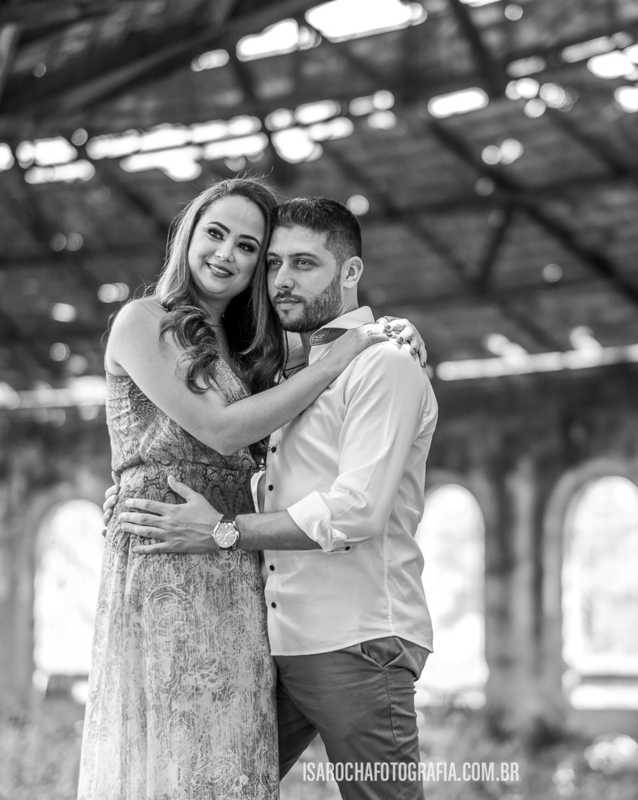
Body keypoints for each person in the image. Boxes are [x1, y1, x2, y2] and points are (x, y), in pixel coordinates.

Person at [78, 180, 423, 800]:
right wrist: (136, 482)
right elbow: (218, 430)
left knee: (231, 769)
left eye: (248, 247)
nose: (228, 256)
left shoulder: (266, 352)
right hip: (179, 563)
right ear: (187, 235)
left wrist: (386, 333)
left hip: (261, 584)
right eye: (216, 234)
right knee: (179, 763)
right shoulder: (146, 322)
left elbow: (333, 494)